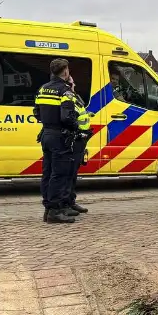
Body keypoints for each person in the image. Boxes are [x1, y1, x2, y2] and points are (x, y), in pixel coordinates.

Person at [33, 59, 83, 224]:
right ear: (65, 71)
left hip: (46, 135)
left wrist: (49, 123)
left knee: (47, 173)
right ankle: (55, 210)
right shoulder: (65, 91)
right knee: (59, 174)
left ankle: (48, 208)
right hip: (60, 137)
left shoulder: (43, 89)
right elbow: (67, 117)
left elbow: (37, 112)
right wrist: (75, 127)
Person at [64, 78, 93, 214]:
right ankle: (66, 203)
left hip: (81, 139)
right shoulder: (68, 99)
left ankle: (71, 201)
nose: (75, 84)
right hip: (75, 139)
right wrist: (78, 131)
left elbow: (78, 114)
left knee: (73, 173)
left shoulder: (75, 98)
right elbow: (69, 118)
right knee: (69, 173)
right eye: (72, 82)